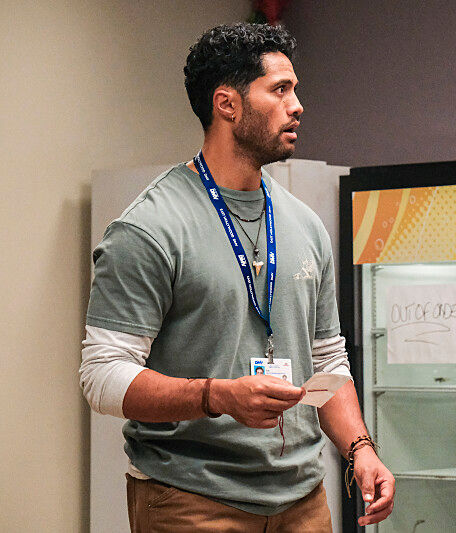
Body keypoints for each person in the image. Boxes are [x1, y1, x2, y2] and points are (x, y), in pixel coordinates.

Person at [79, 23, 394, 532]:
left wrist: (360, 448)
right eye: (280, 89)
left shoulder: (304, 223)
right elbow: (101, 376)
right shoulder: (150, 227)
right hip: (191, 500)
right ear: (227, 104)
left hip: (303, 499)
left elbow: (327, 358)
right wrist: (216, 396)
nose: (299, 105)